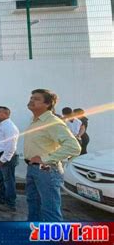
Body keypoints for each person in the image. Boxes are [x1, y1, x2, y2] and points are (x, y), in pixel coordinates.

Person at [24, 89, 81, 221]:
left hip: (46, 170)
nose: (32, 100)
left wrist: (45, 159)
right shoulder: (35, 120)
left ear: (48, 104)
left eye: (36, 99)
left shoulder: (52, 121)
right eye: (31, 97)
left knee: (49, 211)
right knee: (34, 206)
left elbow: (74, 147)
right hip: (32, 168)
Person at [0, 106, 20, 212]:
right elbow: (1, 142)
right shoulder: (2, 125)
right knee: (2, 179)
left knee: (9, 181)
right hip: (1, 155)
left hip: (7, 157)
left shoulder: (9, 127)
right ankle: (2, 197)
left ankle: (10, 203)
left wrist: (3, 159)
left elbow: (11, 146)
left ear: (6, 114)